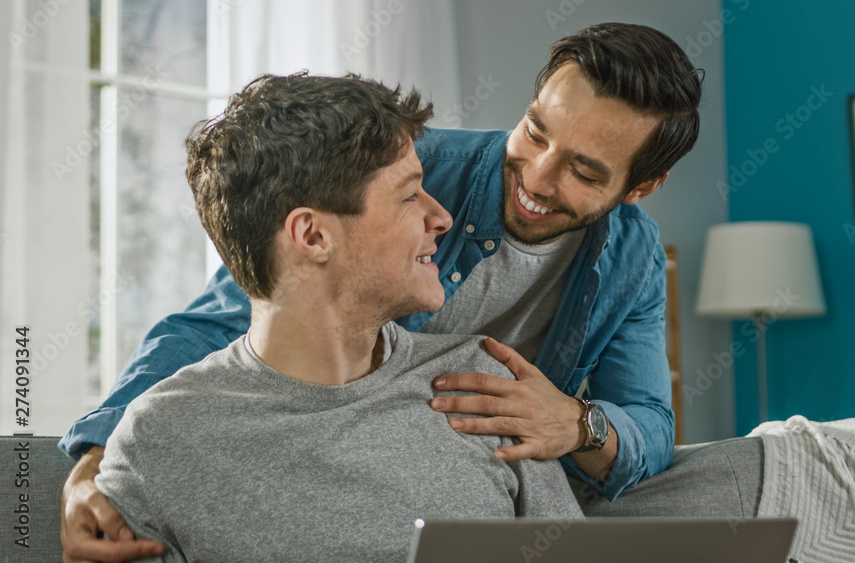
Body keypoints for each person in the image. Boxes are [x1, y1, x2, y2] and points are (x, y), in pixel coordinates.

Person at [60, 22, 702, 561]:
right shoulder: (405, 168)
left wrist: (575, 423)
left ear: (640, 187)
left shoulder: (630, 259)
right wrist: (96, 459)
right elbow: (237, 313)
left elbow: (648, 425)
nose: (536, 175)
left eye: (584, 170)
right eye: (535, 131)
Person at [94, 72, 584, 561]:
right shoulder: (157, 440)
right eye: (410, 195)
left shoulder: (484, 386)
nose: (441, 218)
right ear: (312, 236)